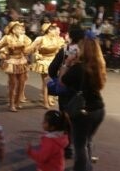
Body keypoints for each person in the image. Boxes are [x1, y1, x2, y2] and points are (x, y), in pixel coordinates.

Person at [59, 30, 106, 171]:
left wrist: (66, 64)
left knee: (80, 145)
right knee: (88, 140)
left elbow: (62, 82)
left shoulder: (78, 68)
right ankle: (88, 167)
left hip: (84, 111)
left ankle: (82, 168)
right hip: (99, 108)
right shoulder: (99, 65)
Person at [48, 27, 85, 159]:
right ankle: (80, 147)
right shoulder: (85, 52)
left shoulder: (64, 50)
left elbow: (51, 69)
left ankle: (66, 147)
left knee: (65, 117)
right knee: (78, 118)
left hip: (64, 89)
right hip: (80, 90)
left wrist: (57, 78)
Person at [0, 21, 31, 112]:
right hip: (11, 61)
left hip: (22, 60)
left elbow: (30, 46)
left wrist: (28, 50)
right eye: (18, 28)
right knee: (13, 83)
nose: (20, 30)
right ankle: (11, 104)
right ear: (13, 30)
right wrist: (2, 54)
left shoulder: (24, 37)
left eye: (20, 28)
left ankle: (17, 102)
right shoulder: (7, 38)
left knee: (22, 82)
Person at [29, 23, 64, 109]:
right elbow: (32, 49)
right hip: (44, 62)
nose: (55, 31)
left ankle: (49, 98)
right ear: (48, 30)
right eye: (53, 29)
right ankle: (45, 101)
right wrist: (37, 56)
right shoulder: (41, 39)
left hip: (54, 62)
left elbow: (60, 50)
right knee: (46, 82)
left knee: (52, 80)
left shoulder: (57, 39)